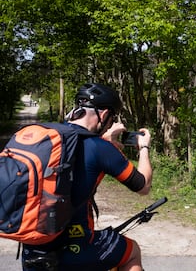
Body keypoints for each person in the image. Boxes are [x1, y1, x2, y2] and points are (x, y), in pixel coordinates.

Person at [21, 83, 153, 271]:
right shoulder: (100, 148)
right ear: (105, 114)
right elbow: (143, 186)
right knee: (132, 252)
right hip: (75, 248)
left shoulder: (51, 138)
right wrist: (144, 148)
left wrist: (107, 141)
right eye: (112, 118)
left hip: (33, 248)